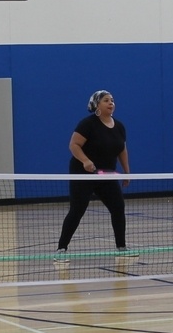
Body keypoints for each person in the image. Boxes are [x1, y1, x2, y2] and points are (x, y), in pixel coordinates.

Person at [55, 90, 132, 260]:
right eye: (106, 100)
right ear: (97, 105)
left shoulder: (119, 126)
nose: (111, 103)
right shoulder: (87, 124)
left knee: (118, 207)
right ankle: (61, 249)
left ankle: (121, 247)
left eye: (112, 100)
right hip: (83, 174)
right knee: (77, 210)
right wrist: (85, 160)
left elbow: (122, 150)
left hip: (106, 175)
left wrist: (127, 172)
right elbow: (74, 145)